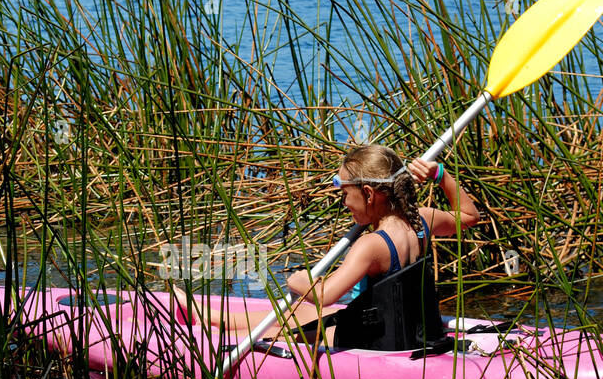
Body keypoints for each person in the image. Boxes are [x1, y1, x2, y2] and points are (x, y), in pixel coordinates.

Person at [173, 143, 479, 337]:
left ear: (369, 194)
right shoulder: (421, 220)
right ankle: (207, 317)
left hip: (378, 338)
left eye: (345, 193)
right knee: (295, 312)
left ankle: (211, 328)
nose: (344, 202)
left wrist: (295, 279)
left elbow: (324, 296)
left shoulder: (371, 245)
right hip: (411, 327)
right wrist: (442, 176)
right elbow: (468, 216)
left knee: (288, 323)